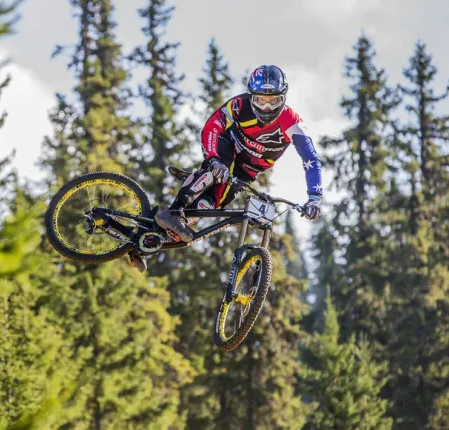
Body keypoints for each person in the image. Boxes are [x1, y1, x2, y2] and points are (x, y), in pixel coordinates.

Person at [128, 64, 323, 273]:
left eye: (273, 101)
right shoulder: (239, 105)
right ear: (252, 97)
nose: (267, 108)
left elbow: (310, 158)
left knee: (212, 203)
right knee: (218, 170)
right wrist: (213, 160)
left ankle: (148, 238)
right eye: (261, 100)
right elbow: (212, 126)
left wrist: (314, 197)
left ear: (283, 98)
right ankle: (174, 210)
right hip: (227, 146)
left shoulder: (292, 122)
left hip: (247, 170)